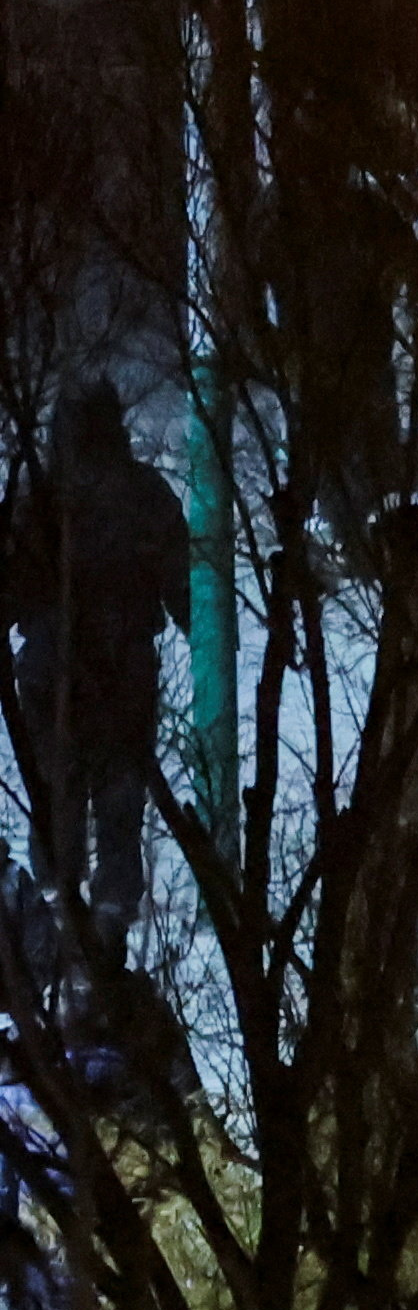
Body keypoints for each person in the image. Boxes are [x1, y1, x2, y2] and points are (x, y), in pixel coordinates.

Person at [5, 382, 177, 932]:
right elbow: (187, 590)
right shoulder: (144, 496)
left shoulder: (38, 498)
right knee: (117, 805)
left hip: (54, 672)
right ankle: (103, 927)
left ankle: (68, 922)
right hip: (115, 673)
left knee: (59, 801)